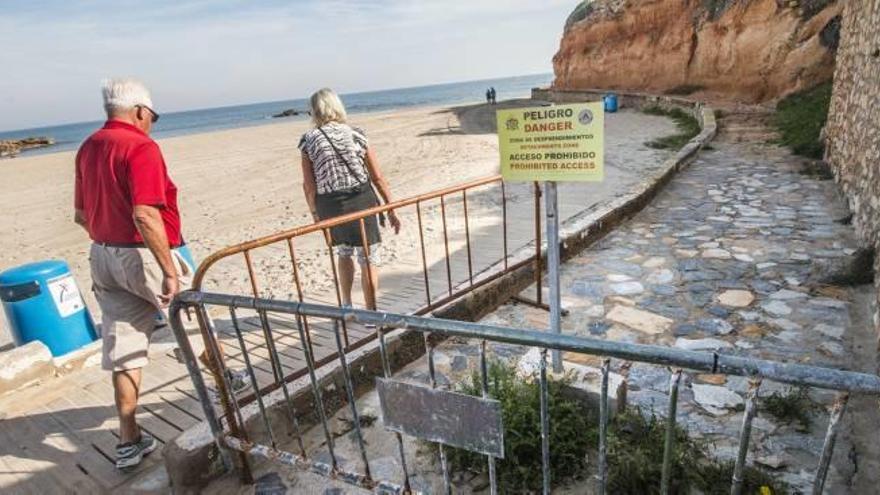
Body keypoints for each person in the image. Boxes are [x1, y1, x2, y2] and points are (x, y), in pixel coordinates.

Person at [299, 88, 401, 311]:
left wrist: (315, 215)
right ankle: (371, 311)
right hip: (361, 201)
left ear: (315, 111)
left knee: (344, 252)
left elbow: (309, 186)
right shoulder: (357, 135)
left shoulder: (308, 141)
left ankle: (346, 307)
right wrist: (391, 208)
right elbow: (378, 177)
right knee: (368, 257)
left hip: (330, 205)